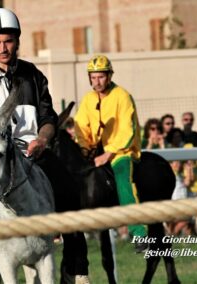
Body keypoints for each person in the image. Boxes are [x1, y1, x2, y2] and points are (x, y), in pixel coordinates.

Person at [0, 8, 89, 284]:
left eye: (9, 41)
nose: (3, 48)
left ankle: (78, 271)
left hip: (30, 152)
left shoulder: (33, 76)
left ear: (17, 41)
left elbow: (48, 118)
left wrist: (43, 140)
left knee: (68, 189)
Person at [74, 54, 147, 253]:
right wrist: (84, 148)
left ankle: (139, 233)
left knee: (123, 177)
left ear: (109, 76)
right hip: (96, 151)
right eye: (93, 77)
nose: (97, 82)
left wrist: (109, 153)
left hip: (123, 151)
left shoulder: (122, 96)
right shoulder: (88, 100)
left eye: (101, 77)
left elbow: (127, 130)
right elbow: (81, 128)